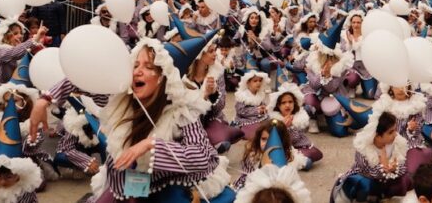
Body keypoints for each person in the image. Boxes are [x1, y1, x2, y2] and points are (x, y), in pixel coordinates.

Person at [89, 36, 232, 203]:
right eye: (135, 65)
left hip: (162, 191)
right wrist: (50, 96)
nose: (137, 71)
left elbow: (202, 157)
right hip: (124, 188)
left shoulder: (181, 111)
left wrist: (151, 144)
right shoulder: (121, 101)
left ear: (162, 77)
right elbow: (87, 84)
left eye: (148, 66)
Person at [332, 111, 409, 202]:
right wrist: (384, 164)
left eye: (395, 130)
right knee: (364, 183)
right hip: (364, 179)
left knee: (405, 179)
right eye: (390, 132)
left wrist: (394, 169)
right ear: (377, 136)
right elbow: (371, 173)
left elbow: (403, 167)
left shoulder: (396, 144)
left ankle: (384, 197)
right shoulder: (363, 148)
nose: (395, 134)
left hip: (384, 181)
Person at [0, 18, 46, 91]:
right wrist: (36, 37)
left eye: (21, 33)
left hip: (1, 90)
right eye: (15, 33)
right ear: (6, 36)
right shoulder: (1, 51)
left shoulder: (9, 50)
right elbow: (16, 52)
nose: (20, 36)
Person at [266, 83, 321, 166]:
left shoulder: (299, 117)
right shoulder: (274, 119)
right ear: (278, 105)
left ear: (294, 103)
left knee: (308, 160)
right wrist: (283, 127)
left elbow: (295, 139)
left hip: (300, 147)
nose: (287, 105)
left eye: (290, 102)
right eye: (283, 103)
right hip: (282, 148)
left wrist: (290, 127)